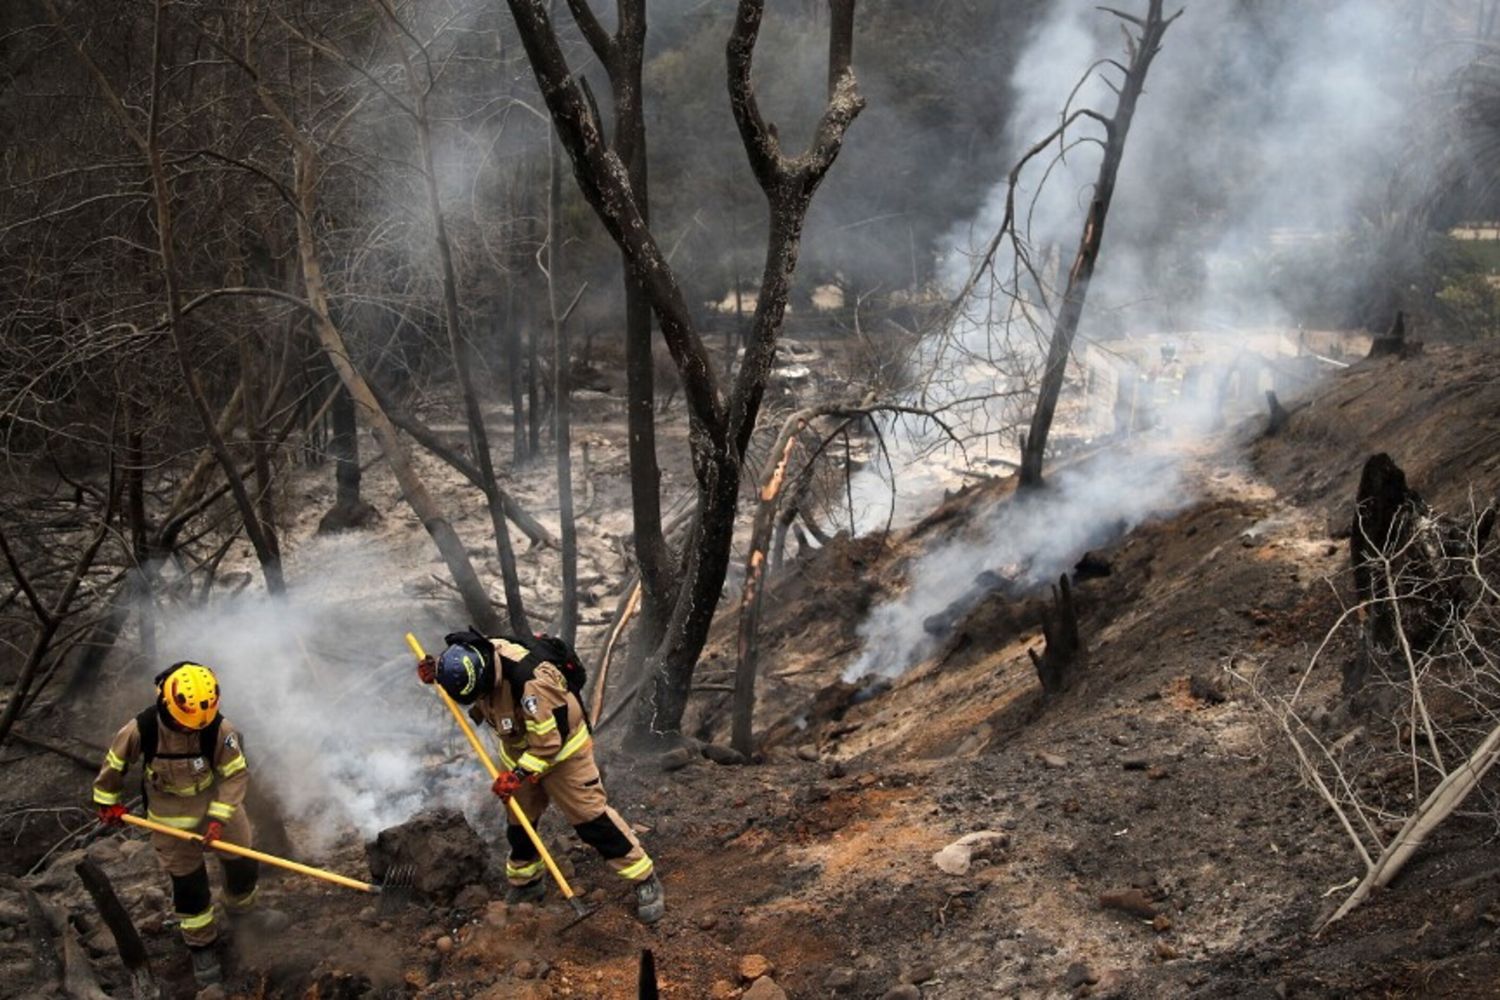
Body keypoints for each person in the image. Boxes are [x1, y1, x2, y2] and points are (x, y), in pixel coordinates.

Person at [418, 629, 665, 923]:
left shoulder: (531, 681)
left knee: (591, 819)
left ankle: (643, 878)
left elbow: (549, 744)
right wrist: (441, 676)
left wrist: (518, 775)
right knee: (520, 822)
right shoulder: (475, 657)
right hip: (519, 750)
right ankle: (527, 883)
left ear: (485, 678)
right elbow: (467, 682)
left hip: (562, 755)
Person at [92, 662, 282, 985]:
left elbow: (235, 774)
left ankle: (243, 914)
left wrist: (219, 819)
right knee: (190, 886)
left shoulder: (220, 730)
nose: (191, 731)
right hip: (170, 818)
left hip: (217, 808)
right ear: (167, 705)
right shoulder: (142, 729)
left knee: (243, 865)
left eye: (197, 726)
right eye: (185, 725)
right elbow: (115, 764)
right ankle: (202, 947)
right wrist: (107, 802)